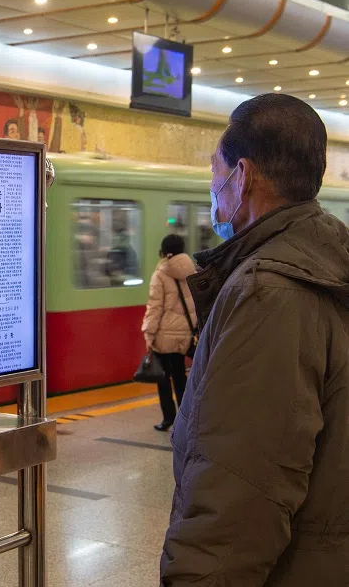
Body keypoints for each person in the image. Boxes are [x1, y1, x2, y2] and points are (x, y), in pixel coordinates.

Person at [160, 93, 349, 585]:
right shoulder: (327, 258)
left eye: (214, 170)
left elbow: (237, 496)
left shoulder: (268, 293)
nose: (212, 186)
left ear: (241, 177)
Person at [140, 234, 196, 432]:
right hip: (184, 334)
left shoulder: (160, 274)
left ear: (164, 251)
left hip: (164, 335)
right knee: (180, 377)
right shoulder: (192, 271)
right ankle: (185, 419)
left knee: (163, 380)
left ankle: (168, 419)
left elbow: (155, 307)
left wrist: (149, 333)